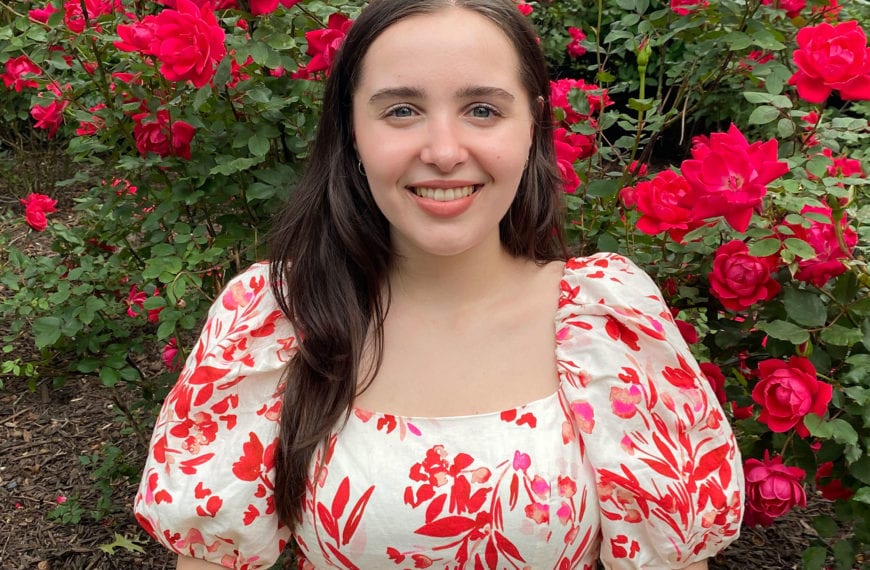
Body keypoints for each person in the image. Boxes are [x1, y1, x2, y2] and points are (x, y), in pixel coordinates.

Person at [134, 0, 744, 568]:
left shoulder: (612, 321)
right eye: (401, 110)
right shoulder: (272, 321)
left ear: (531, 125)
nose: (445, 151)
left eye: (483, 110)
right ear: (352, 133)